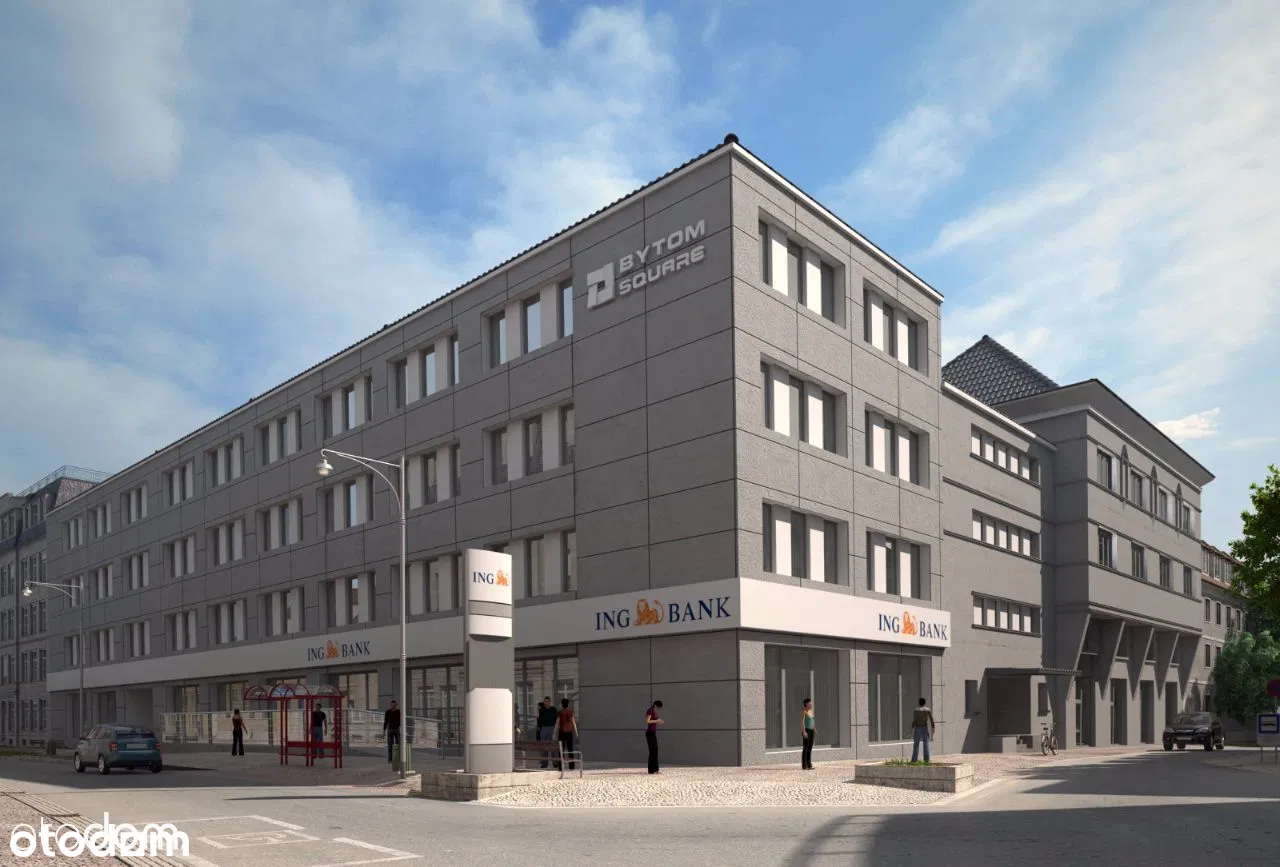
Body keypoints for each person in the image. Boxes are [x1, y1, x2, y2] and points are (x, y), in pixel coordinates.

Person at [555, 698, 579, 770]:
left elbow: (557, 723)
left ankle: (561, 767)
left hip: (561, 733)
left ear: (562, 704)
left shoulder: (560, 712)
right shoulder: (570, 712)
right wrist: (576, 733)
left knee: (561, 750)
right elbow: (573, 723)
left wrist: (554, 733)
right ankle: (571, 766)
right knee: (570, 749)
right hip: (569, 733)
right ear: (568, 704)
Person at [911, 697, 935, 763]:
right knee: (926, 743)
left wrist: (912, 729)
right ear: (925, 702)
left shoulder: (916, 710)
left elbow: (914, 721)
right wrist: (933, 728)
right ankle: (926, 760)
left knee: (916, 744)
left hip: (918, 728)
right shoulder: (927, 710)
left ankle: (914, 760)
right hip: (924, 727)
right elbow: (931, 720)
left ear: (919, 702)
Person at [536, 697, 558, 769]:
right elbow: (539, 720)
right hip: (544, 728)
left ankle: (555, 762)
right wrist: (539, 729)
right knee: (543, 746)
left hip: (552, 728)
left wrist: (556, 729)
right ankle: (544, 763)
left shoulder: (554, 710)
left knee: (553, 745)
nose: (547, 703)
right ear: (544, 702)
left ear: (550, 702)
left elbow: (557, 720)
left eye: (548, 701)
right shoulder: (541, 710)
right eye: (545, 701)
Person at [645, 700, 664, 774]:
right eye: (658, 707)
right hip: (650, 733)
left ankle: (656, 769)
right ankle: (651, 770)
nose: (658, 709)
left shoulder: (654, 711)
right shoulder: (650, 710)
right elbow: (647, 721)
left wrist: (659, 721)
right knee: (652, 751)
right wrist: (657, 721)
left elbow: (654, 721)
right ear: (655, 705)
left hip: (653, 733)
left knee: (655, 751)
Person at [383, 699, 402, 765]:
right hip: (390, 730)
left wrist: (398, 726)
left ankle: (398, 758)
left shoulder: (398, 712)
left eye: (393, 705)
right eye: (391, 705)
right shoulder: (388, 712)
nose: (392, 706)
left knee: (398, 744)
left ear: (396, 705)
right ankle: (390, 759)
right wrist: (384, 729)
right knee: (390, 745)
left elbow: (400, 720)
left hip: (396, 729)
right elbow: (386, 721)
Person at [800, 698, 815, 770]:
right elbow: (802, 722)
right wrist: (804, 731)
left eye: (811, 702)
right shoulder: (804, 711)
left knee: (810, 747)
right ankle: (804, 765)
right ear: (806, 704)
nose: (811, 703)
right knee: (805, 748)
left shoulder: (811, 711)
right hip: (806, 730)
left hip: (811, 731)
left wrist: (815, 729)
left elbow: (812, 721)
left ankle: (809, 764)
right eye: (810, 702)